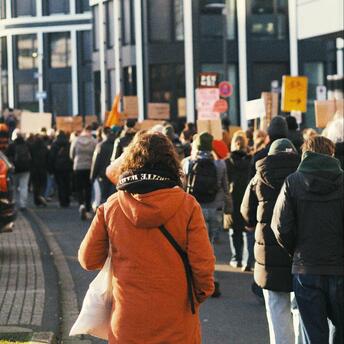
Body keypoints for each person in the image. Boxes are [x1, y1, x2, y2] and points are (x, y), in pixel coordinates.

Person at [78, 132, 215, 343]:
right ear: (171, 164)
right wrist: (198, 296)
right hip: (177, 321)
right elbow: (203, 265)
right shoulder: (187, 206)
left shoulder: (112, 207)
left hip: (128, 323)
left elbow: (88, 260)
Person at [271, 135, 344, 344]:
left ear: (306, 154)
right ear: (331, 154)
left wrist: (296, 250)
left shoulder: (293, 181)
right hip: (339, 268)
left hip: (306, 268)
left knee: (313, 332)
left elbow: (280, 226)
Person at [241, 138, 301, 343]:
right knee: (300, 308)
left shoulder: (259, 178)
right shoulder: (302, 176)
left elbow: (246, 213)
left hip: (268, 256)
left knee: (276, 308)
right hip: (298, 252)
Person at [183, 132, 231, 297]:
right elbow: (225, 187)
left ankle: (195, 280)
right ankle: (211, 279)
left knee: (193, 246)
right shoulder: (220, 164)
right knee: (209, 246)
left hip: (194, 209)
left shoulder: (188, 163)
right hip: (215, 208)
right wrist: (228, 207)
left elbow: (182, 188)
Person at [226, 134, 251, 270]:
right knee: (246, 230)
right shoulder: (251, 161)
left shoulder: (227, 161)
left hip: (233, 198)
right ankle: (247, 260)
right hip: (247, 198)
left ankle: (236, 258)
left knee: (233, 230)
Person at [70, 125, 97, 220]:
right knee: (88, 188)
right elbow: (96, 154)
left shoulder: (76, 140)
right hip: (89, 167)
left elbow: (71, 154)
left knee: (79, 188)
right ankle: (88, 208)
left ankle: (81, 205)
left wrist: (75, 161)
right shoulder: (93, 141)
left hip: (78, 167)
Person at [5, 129, 31, 210]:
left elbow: (6, 157)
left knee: (14, 187)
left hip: (15, 169)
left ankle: (14, 203)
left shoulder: (11, 145)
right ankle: (23, 204)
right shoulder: (27, 144)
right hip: (26, 169)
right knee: (24, 187)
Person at [90, 127, 117, 204]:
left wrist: (92, 176)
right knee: (113, 198)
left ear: (103, 134)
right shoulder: (117, 143)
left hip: (103, 175)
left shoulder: (101, 145)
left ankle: (104, 214)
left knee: (103, 197)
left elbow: (96, 162)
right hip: (115, 175)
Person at [49, 131, 73, 207]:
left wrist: (51, 169)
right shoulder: (69, 144)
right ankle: (67, 200)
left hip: (58, 167)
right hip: (67, 167)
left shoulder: (54, 144)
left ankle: (62, 201)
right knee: (67, 184)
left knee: (60, 185)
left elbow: (51, 157)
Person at [28, 134, 49, 207]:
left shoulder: (32, 147)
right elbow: (48, 158)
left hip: (34, 169)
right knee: (43, 183)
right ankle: (42, 195)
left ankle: (36, 200)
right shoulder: (44, 147)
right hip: (43, 168)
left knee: (35, 185)